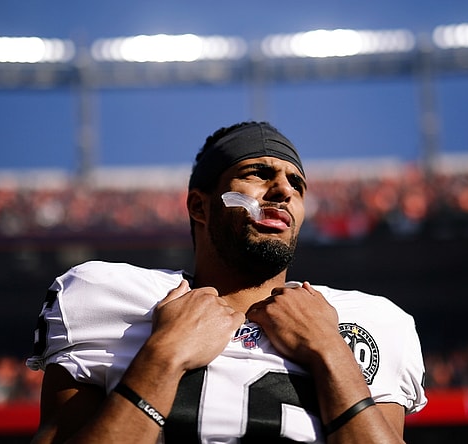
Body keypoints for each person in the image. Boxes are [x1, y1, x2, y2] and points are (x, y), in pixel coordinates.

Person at [26, 121, 427, 443]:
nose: (284, 190)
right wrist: (164, 355)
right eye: (258, 173)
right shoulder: (105, 295)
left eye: (297, 184)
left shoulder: (374, 320)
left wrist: (332, 353)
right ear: (200, 206)